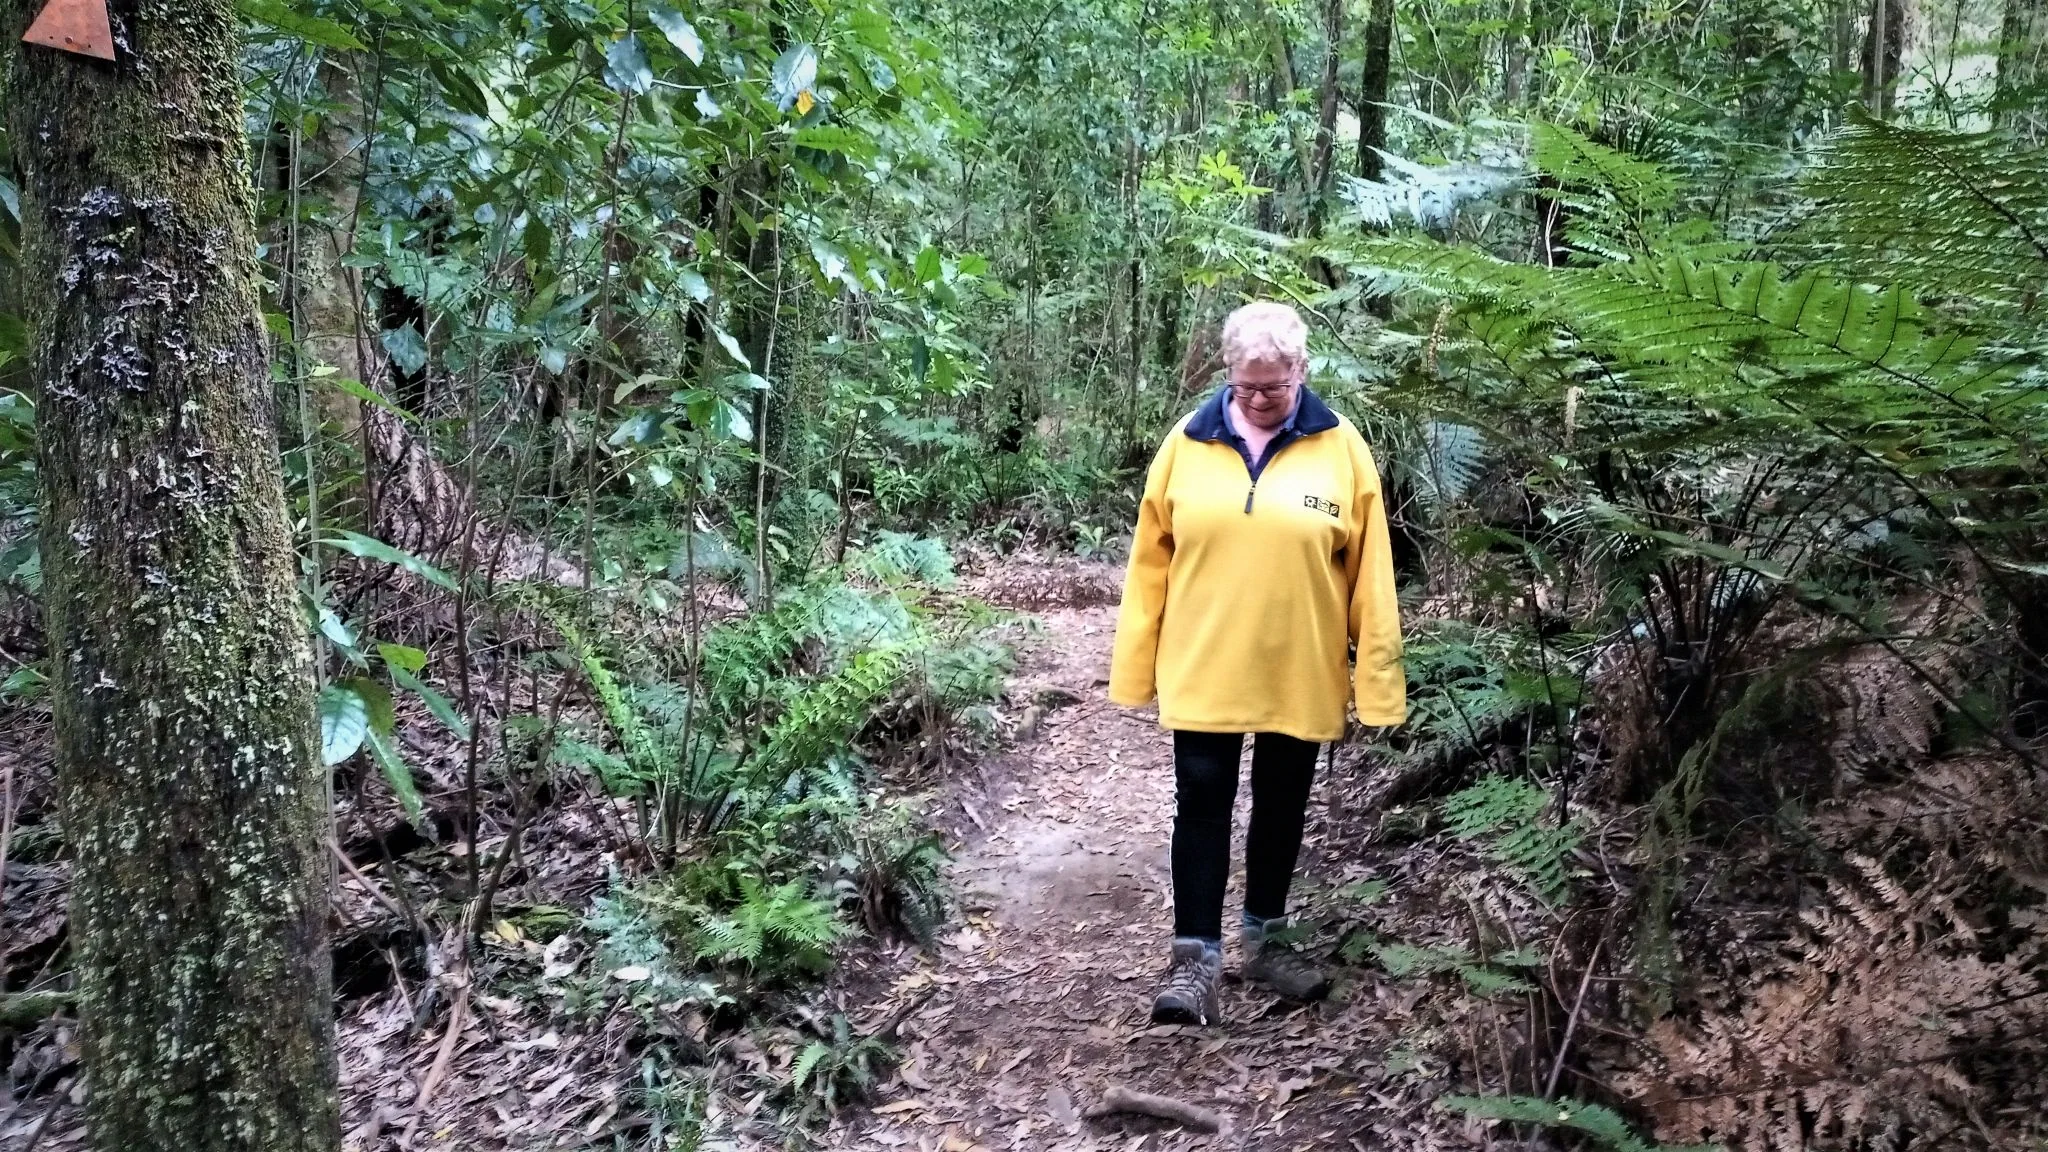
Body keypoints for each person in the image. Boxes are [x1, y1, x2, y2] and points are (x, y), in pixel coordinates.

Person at [1108, 300, 1406, 1025]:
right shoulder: (1186, 444)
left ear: (1303, 370)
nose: (1264, 398)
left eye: (1277, 384)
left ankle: (1265, 941)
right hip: (1204, 662)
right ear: (1228, 374)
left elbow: (1372, 575)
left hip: (1300, 668)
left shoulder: (1343, 449)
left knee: (1280, 807)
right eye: (1249, 386)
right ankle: (1195, 961)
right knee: (1202, 806)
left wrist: (1379, 687)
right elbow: (1150, 565)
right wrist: (1135, 668)